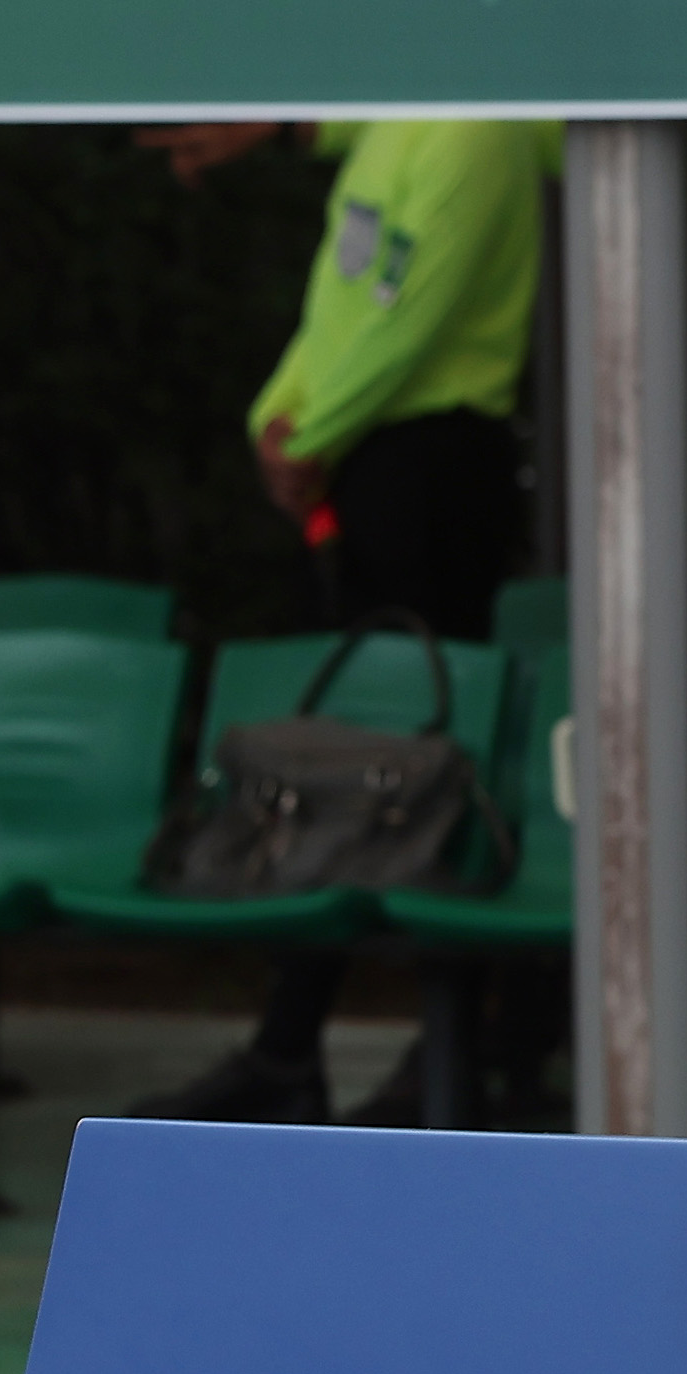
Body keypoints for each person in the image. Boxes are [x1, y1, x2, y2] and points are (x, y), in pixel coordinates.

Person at [130, 116, 555, 1127]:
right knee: (338, 759)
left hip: (436, 466)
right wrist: (278, 420)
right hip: (364, 461)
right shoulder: (383, 133)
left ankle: (464, 1043)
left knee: (426, 763)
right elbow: (343, 300)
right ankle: (288, 1050)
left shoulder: (473, 135)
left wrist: (309, 433)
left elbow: (414, 312)